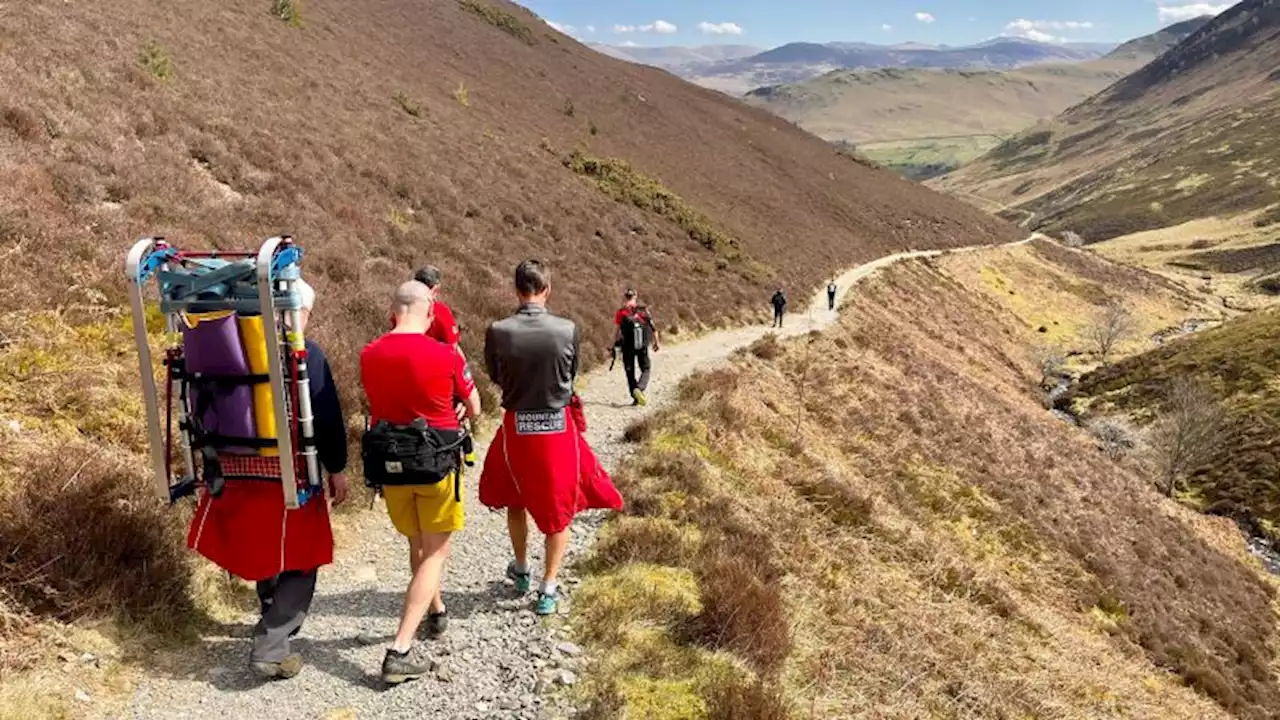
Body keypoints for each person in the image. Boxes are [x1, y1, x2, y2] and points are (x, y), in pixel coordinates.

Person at [186, 278, 349, 681]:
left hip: (229, 469)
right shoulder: (304, 354)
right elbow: (325, 417)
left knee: (263, 540)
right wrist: (337, 467)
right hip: (288, 472)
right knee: (304, 553)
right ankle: (272, 644)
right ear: (299, 311)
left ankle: (269, 606)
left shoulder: (225, 356)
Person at [480, 260, 623, 615]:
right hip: (558, 426)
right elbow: (571, 373)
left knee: (515, 496)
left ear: (516, 290)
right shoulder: (567, 329)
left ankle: (522, 568)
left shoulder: (498, 330)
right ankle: (549, 586)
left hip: (517, 426)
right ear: (547, 289)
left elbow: (495, 374)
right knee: (560, 507)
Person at [361, 281, 481, 685]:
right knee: (437, 551)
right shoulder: (445, 354)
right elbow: (475, 407)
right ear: (431, 311)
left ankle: (435, 611)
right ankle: (400, 649)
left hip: (389, 467)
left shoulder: (369, 354)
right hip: (435, 465)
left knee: (417, 543)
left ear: (393, 311)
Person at [614, 289, 660, 406]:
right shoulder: (643, 311)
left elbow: (618, 330)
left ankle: (635, 396)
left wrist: (614, 344)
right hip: (642, 346)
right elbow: (653, 328)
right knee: (646, 368)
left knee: (630, 372)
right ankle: (640, 388)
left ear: (625, 297)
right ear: (635, 297)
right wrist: (656, 342)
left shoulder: (621, 312)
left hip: (627, 346)